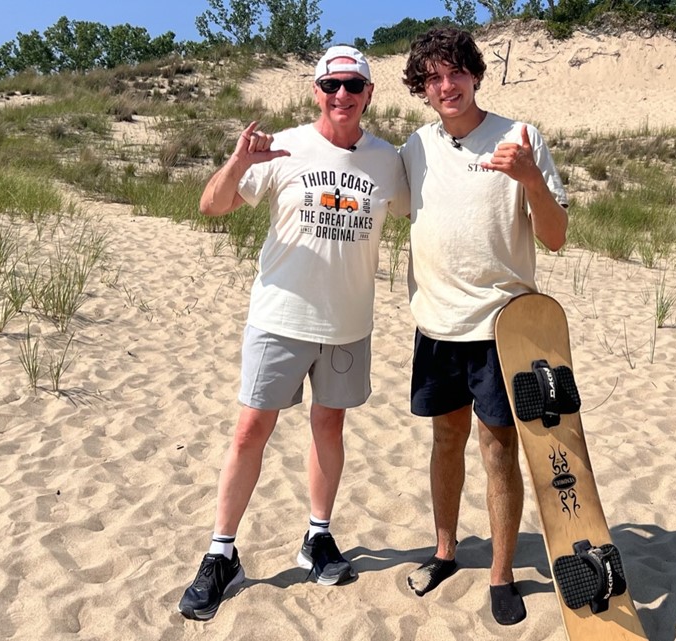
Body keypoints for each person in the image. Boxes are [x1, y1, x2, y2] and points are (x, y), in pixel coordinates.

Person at [177, 45, 409, 622]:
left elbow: (427, 212)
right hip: (280, 317)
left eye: (353, 85)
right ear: (316, 91)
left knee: (329, 426)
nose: (342, 96)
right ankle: (221, 553)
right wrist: (236, 162)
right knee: (251, 429)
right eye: (331, 85)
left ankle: (317, 536)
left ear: (369, 94)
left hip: (348, 324)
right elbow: (212, 206)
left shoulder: (388, 161)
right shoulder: (283, 146)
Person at [398, 27, 568, 626]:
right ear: (422, 88)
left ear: (475, 74)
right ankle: (444, 550)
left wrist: (528, 178)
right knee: (446, 439)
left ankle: (500, 574)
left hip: (505, 329)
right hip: (437, 324)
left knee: (499, 450)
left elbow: (556, 236)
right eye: (433, 78)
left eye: (456, 73)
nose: (447, 86)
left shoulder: (521, 138)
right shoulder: (415, 148)